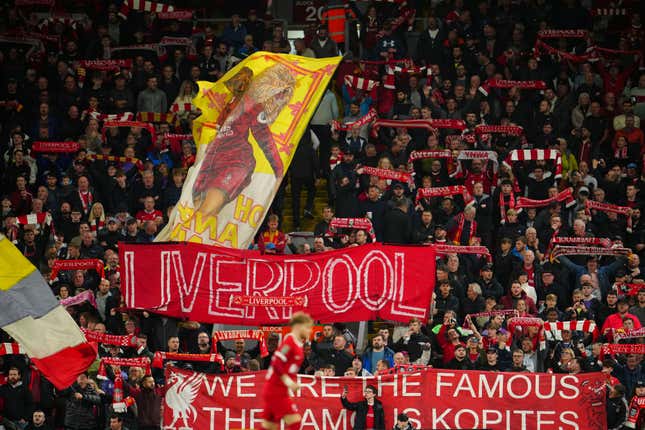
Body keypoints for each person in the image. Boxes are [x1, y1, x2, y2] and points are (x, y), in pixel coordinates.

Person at [261, 312, 314, 430]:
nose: (310, 331)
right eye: (308, 327)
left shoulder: (298, 344)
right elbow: (276, 363)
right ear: (298, 326)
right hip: (275, 390)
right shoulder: (289, 341)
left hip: (278, 390)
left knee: (269, 426)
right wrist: (289, 383)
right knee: (295, 423)